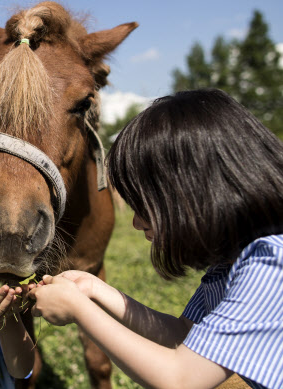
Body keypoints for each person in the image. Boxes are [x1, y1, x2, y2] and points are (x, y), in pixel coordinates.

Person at [28, 89, 283, 389]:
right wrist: (95, 290)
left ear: (194, 193)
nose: (136, 223)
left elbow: (180, 379)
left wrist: (80, 312)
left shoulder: (272, 264)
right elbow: (185, 334)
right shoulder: (228, 266)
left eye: (144, 206)